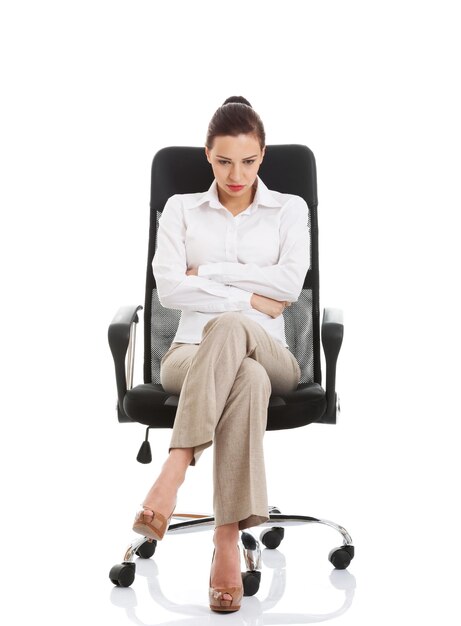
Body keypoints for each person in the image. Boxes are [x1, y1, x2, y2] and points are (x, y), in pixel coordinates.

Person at [132, 96, 310, 612]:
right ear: (208, 155)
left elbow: (289, 284)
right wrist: (252, 296)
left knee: (238, 334)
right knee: (246, 378)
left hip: (276, 357)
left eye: (249, 161)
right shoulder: (181, 209)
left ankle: (175, 467)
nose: (238, 173)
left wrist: (206, 275)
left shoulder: (288, 210)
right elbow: (168, 290)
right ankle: (227, 540)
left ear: (263, 156)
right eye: (225, 160)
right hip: (188, 357)